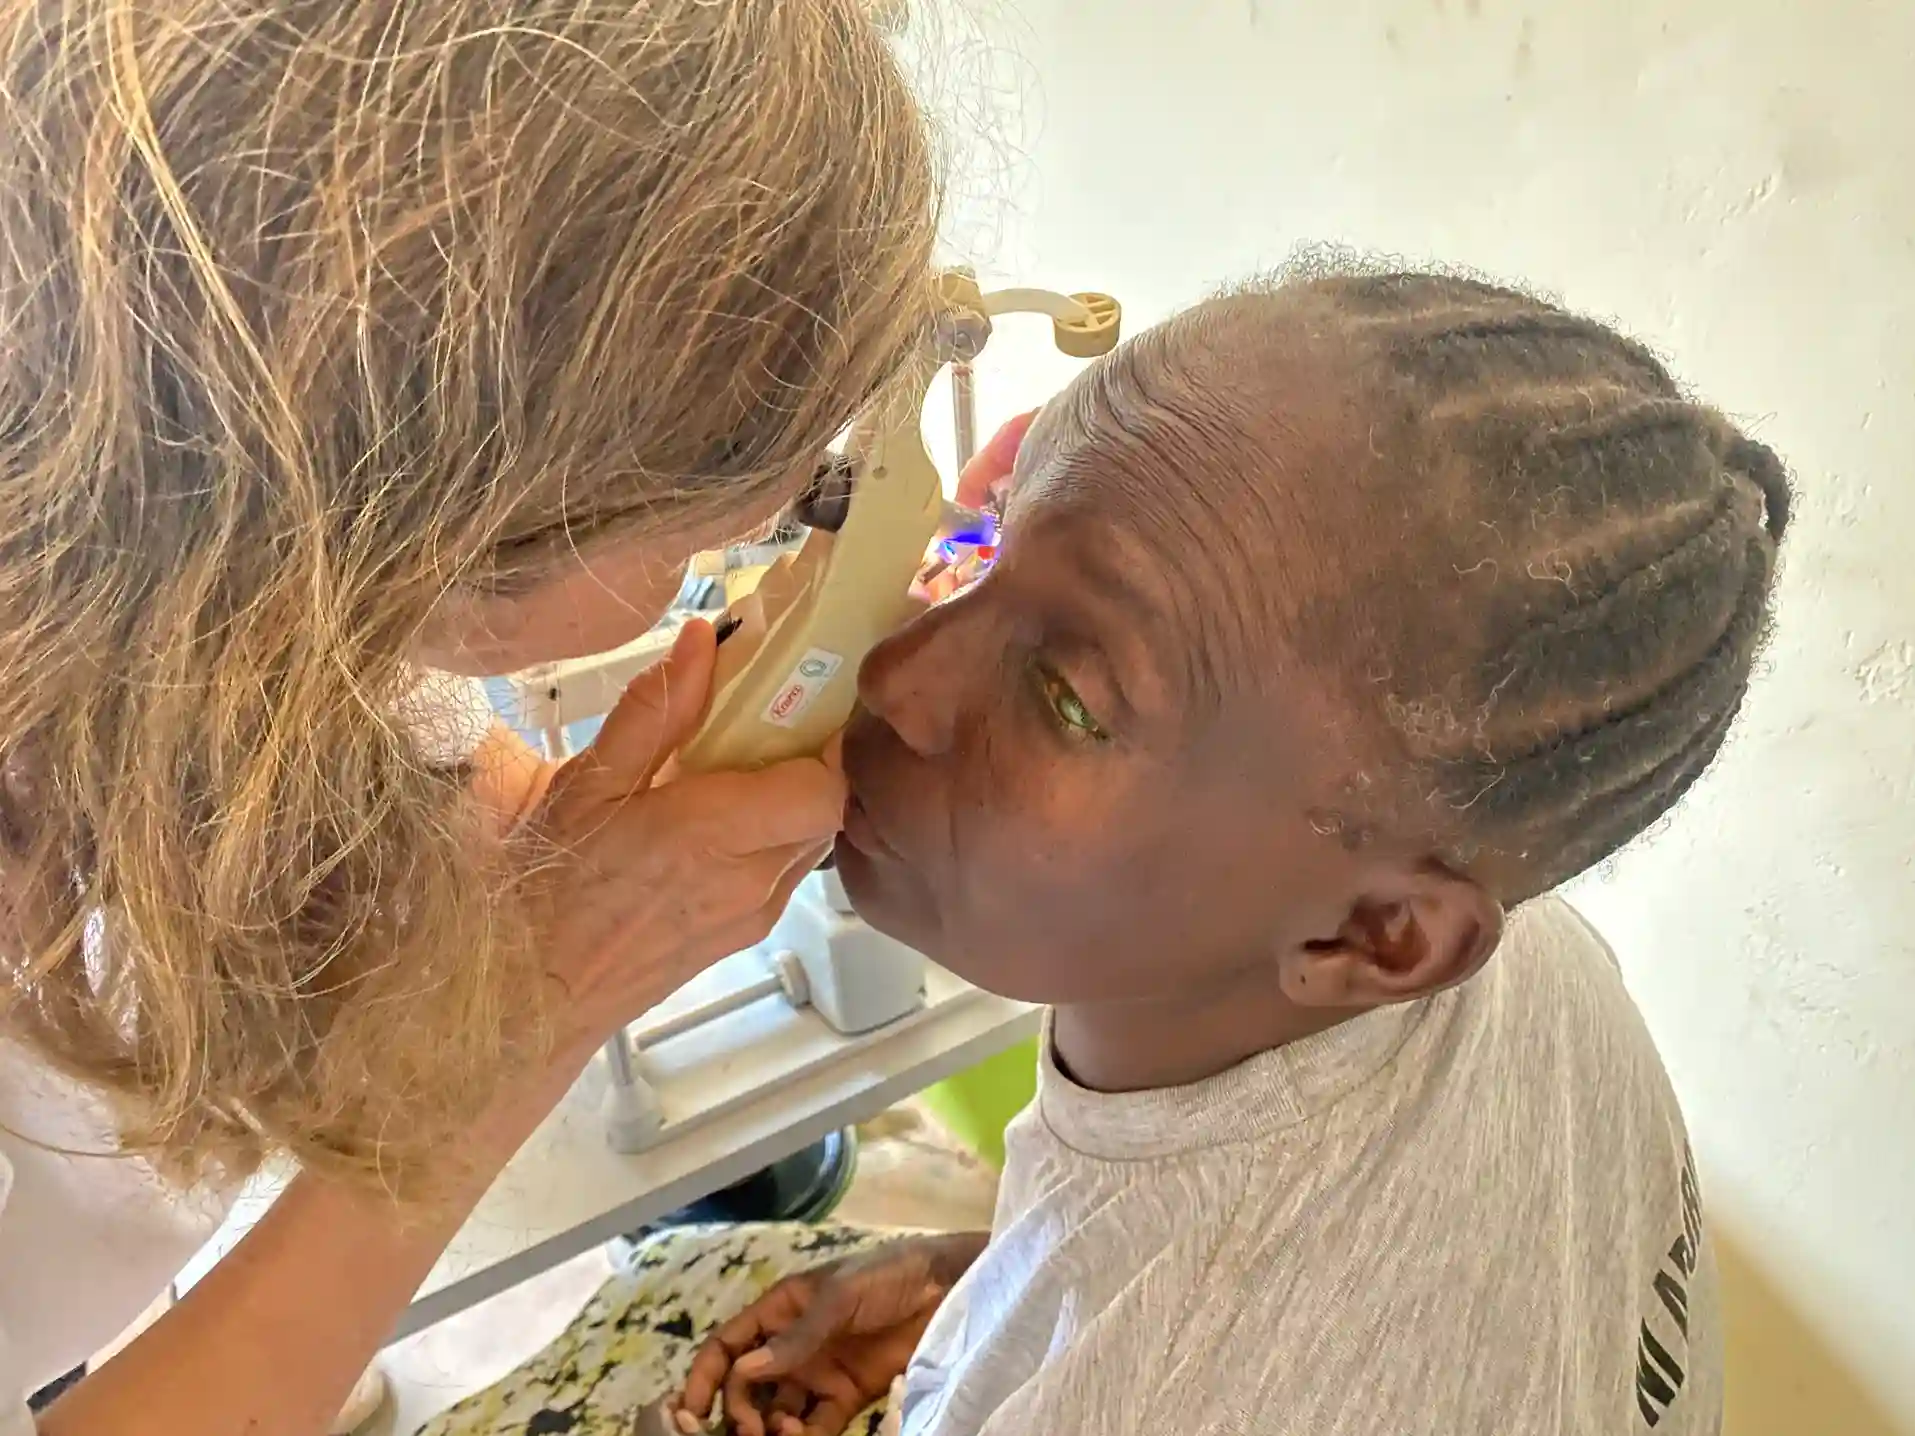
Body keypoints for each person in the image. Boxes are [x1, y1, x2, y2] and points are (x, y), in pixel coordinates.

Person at [417, 260, 1787, 1436]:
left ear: (1372, 938)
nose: (899, 670)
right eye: (986, 545)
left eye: (1071, 700)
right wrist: (989, 1290)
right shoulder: (1535, 955)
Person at [0, 2, 938, 1433]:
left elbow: (428, 774)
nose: (753, 535)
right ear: (446, 496)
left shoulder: (208, 554)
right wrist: (541, 1009)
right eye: (739, 507)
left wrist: (577, 872)